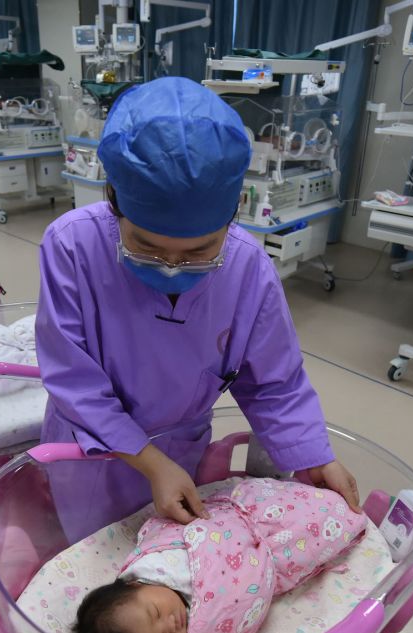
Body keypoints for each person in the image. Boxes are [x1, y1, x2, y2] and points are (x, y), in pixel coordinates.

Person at [36, 77, 359, 543]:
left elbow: (274, 383)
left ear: (231, 216)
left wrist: (313, 456)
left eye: (198, 251)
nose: (171, 267)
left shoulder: (248, 269)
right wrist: (149, 463)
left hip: (179, 448)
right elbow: (73, 379)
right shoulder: (71, 247)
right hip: (91, 451)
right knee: (94, 565)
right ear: (115, 203)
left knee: (169, 564)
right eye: (145, 246)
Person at [72, 477, 367, 633]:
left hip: (237, 514)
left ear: (136, 584)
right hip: (273, 554)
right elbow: (240, 607)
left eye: (155, 614)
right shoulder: (208, 624)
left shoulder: (157, 559)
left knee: (287, 497)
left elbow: (165, 528)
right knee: (327, 520)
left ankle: (321, 487)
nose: (170, 625)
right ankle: (349, 511)